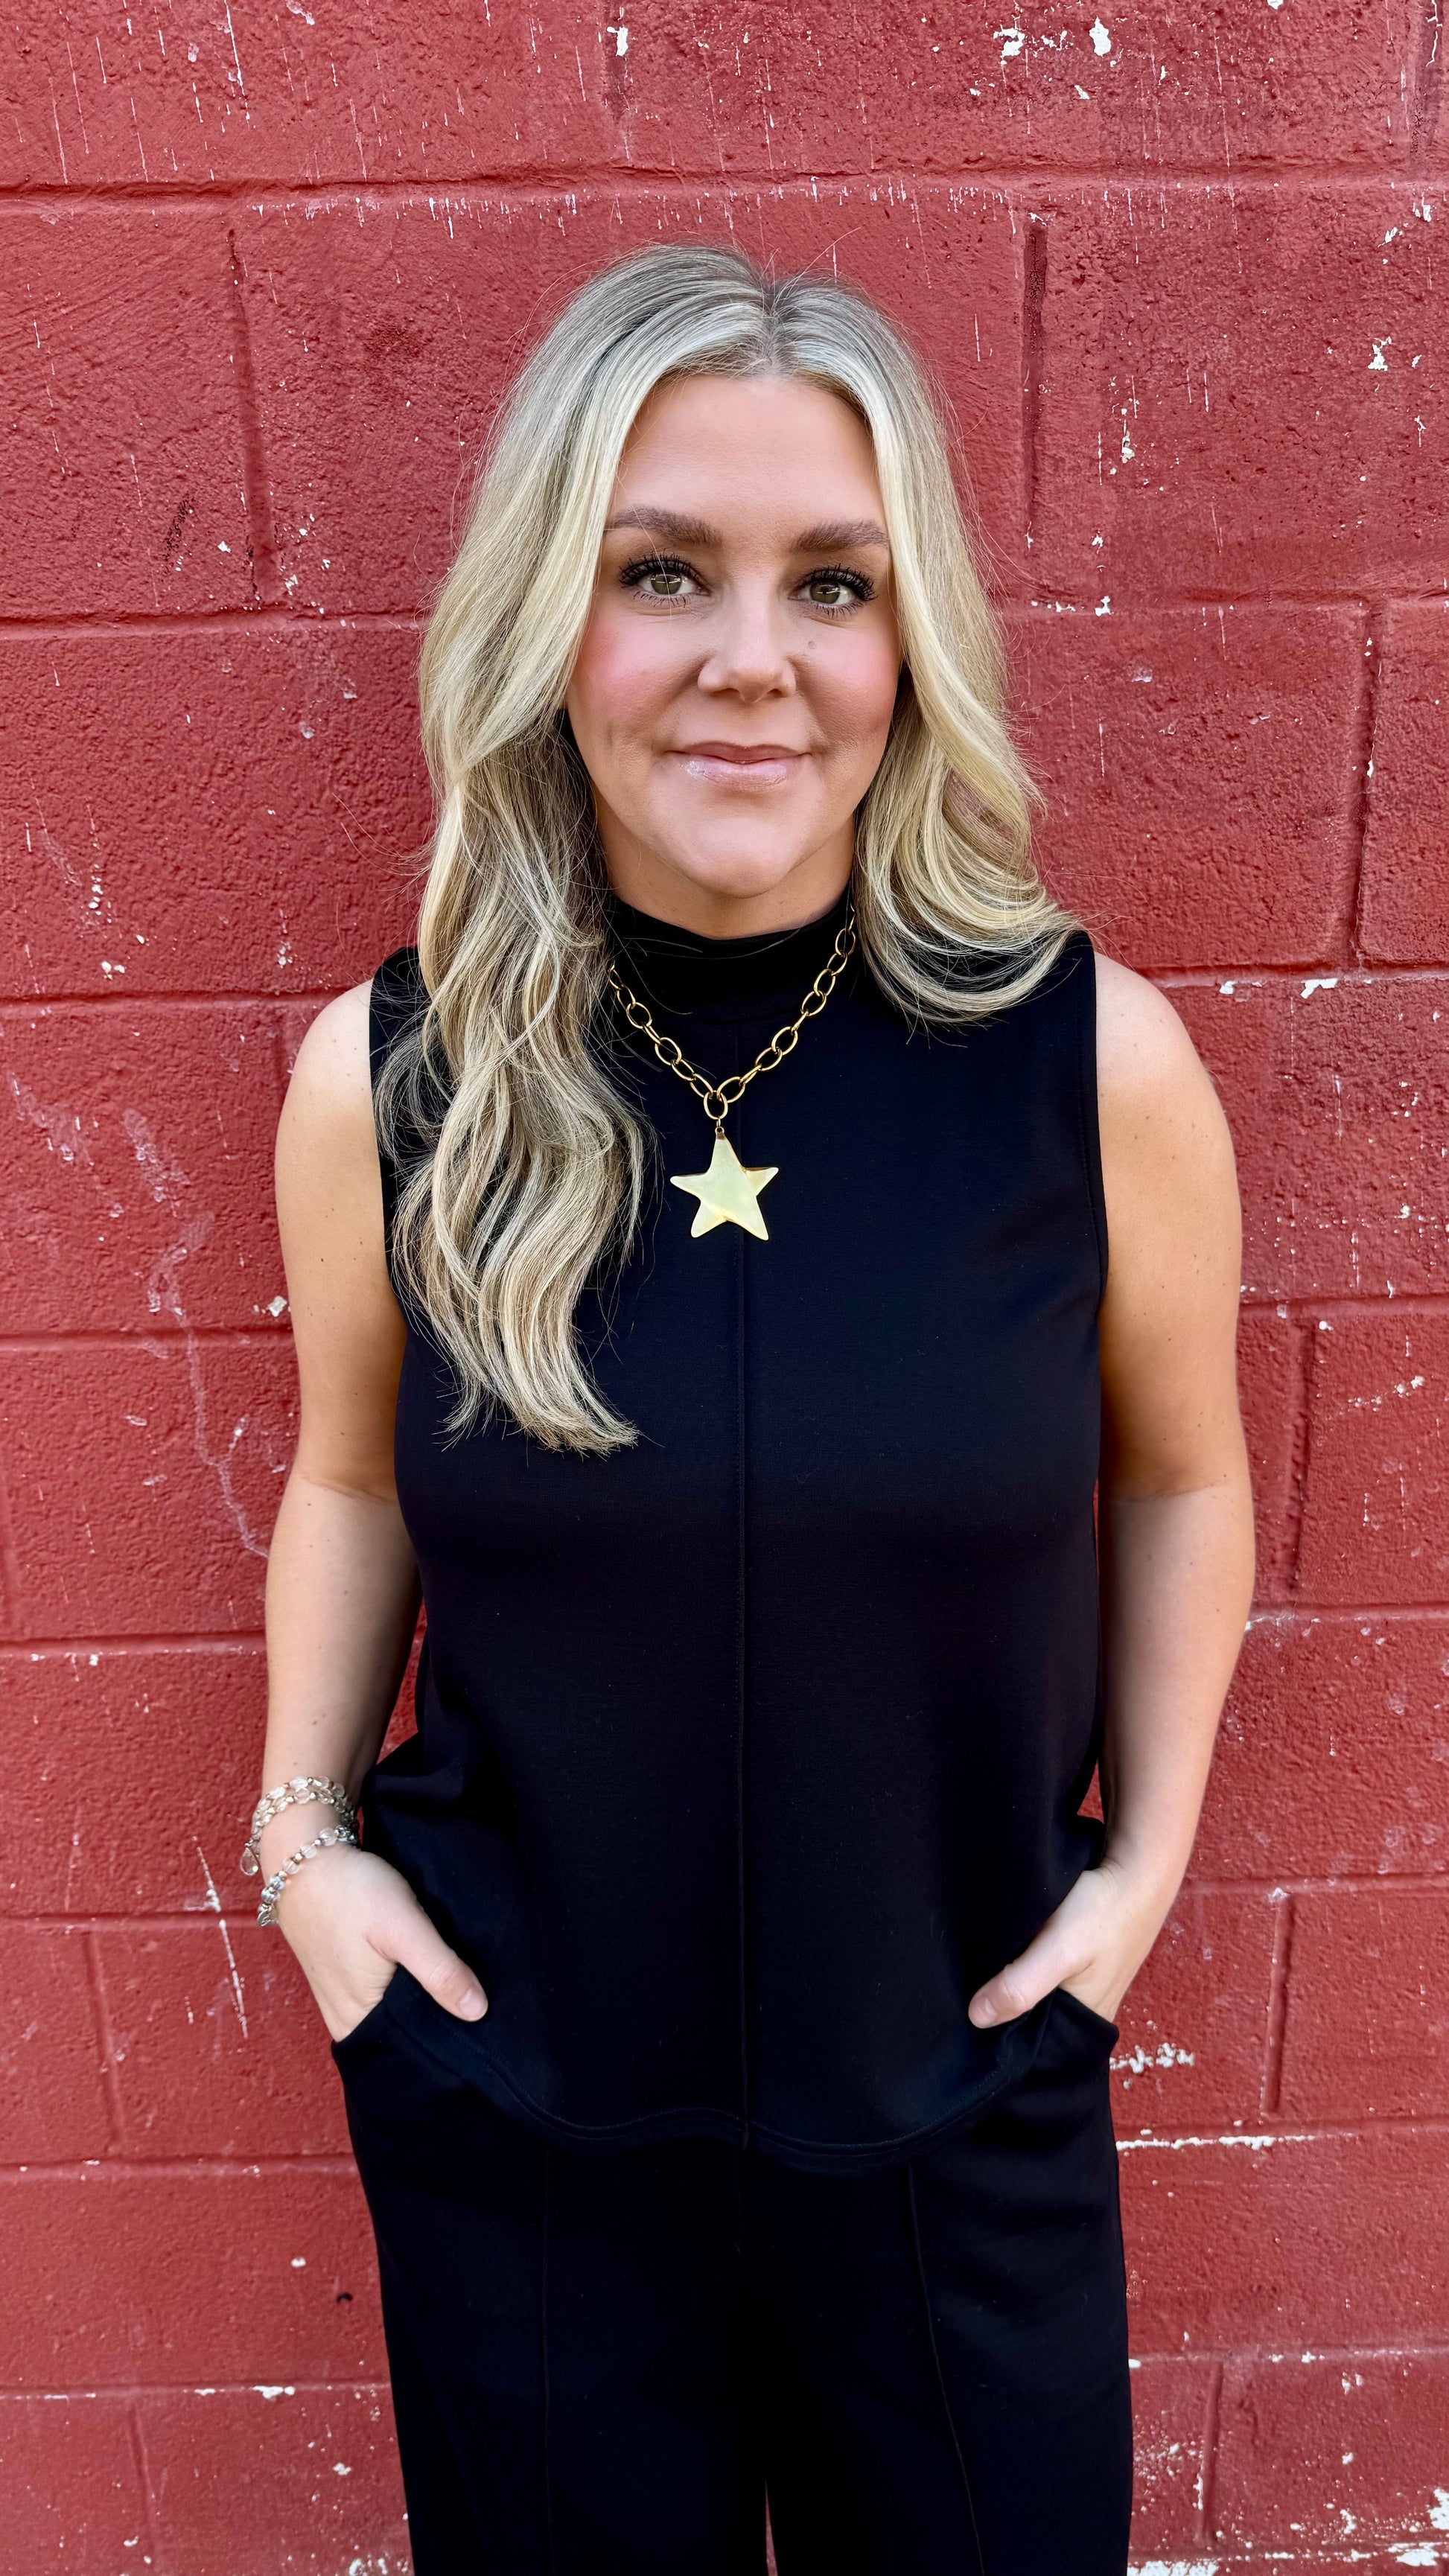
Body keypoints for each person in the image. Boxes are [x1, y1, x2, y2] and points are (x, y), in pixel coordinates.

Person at [252, 244, 1255, 2575]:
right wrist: (303, 1852)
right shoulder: (391, 1079)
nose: (749, 658)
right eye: (660, 573)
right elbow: (347, 1476)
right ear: (549, 620)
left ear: (910, 642)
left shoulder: (1085, 1066)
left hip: (957, 2108)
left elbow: (1187, 1476)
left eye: (830, 582)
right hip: (520, 2122)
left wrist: (1137, 1877)